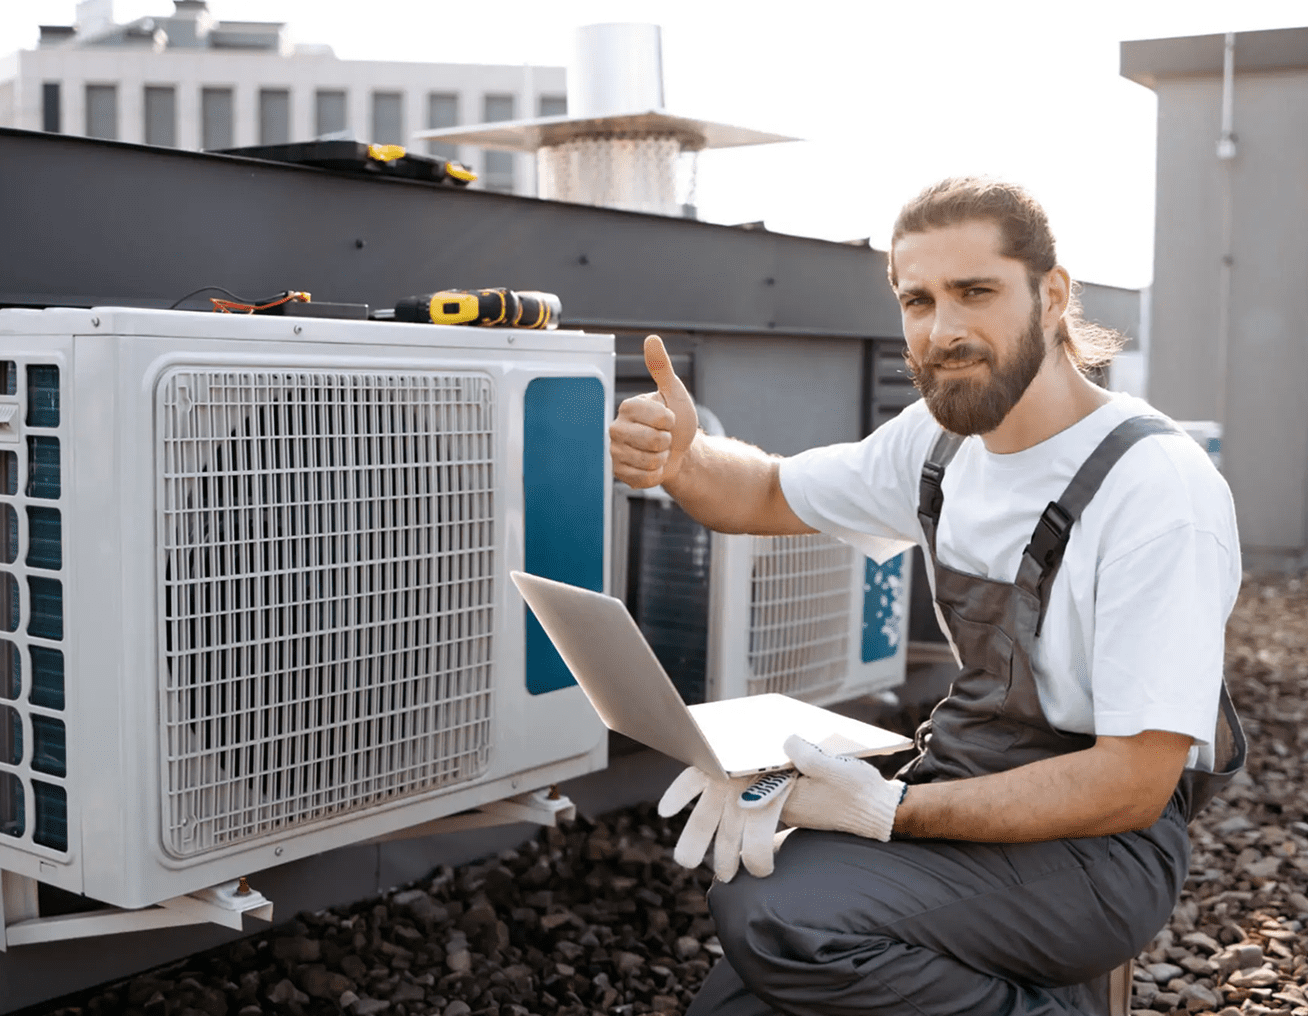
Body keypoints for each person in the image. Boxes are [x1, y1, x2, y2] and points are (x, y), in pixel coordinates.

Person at [607, 177, 1246, 1016]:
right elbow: (764, 492)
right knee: (739, 999)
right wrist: (683, 461)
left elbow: (1130, 782)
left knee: (774, 918)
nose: (942, 330)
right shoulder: (938, 445)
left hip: (1101, 850)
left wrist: (882, 809)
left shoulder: (1156, 488)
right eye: (918, 300)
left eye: (975, 292)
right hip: (965, 781)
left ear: (1052, 295)